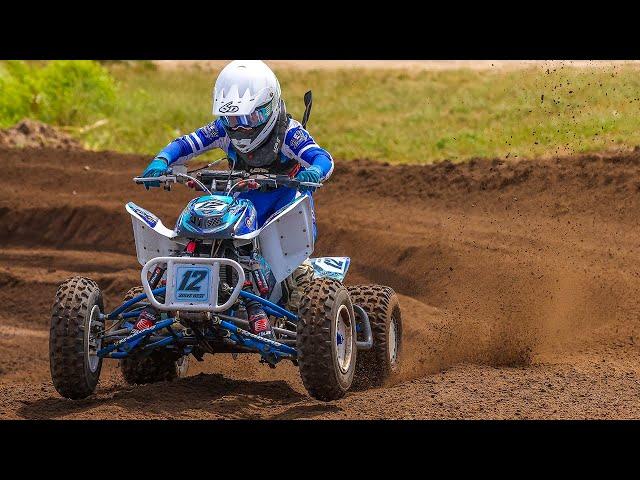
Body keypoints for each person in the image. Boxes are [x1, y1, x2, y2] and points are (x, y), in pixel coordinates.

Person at [139, 60, 333, 340]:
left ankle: (298, 305)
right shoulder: (221, 129)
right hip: (239, 205)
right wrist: (162, 161)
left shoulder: (289, 132)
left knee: (298, 287)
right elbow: (186, 144)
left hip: (284, 208)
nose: (240, 128)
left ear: (269, 107)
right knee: (194, 236)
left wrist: (313, 171)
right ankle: (173, 297)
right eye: (233, 120)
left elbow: (321, 157)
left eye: (248, 119)